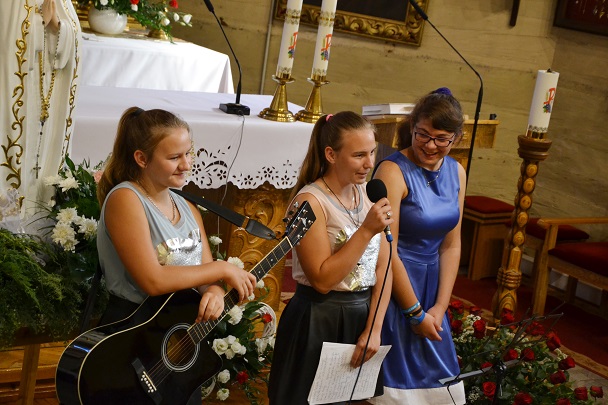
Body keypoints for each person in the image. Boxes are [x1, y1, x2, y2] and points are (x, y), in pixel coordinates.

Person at [268, 111, 394, 404]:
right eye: (359, 155)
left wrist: (374, 329)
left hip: (362, 317)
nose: (369, 163)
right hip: (317, 318)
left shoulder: (369, 194)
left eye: (372, 152)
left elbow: (384, 267)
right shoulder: (309, 203)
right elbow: (322, 280)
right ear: (331, 154)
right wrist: (366, 231)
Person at [96, 107, 256, 328]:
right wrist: (223, 268)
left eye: (188, 153)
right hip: (133, 328)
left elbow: (206, 276)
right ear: (142, 158)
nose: (186, 165)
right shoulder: (125, 199)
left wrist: (214, 291)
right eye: (174, 157)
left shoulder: (188, 207)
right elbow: (153, 281)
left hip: (177, 329)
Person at [369, 88, 467, 404]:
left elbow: (451, 245)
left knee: (440, 385)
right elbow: (387, 247)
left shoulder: (457, 172)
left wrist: (439, 307)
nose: (430, 145)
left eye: (441, 139)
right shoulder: (392, 170)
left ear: (456, 138)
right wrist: (415, 312)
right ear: (412, 126)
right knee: (394, 387)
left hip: (433, 288)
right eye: (422, 134)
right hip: (395, 283)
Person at [1, 0, 81, 217]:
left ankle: (43, 204)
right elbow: (6, 41)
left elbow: (74, 39)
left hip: (47, 88)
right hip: (16, 90)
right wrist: (39, 24)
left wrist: (57, 26)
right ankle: (10, 213)